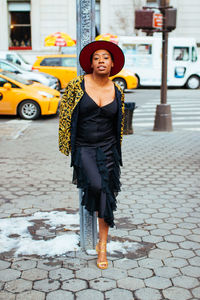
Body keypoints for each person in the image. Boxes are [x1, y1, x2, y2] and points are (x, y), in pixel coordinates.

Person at [59, 40, 125, 269]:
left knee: (107, 194)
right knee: (96, 186)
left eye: (105, 57)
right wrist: (66, 145)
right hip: (84, 146)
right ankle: (99, 241)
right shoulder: (77, 85)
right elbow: (65, 115)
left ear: (112, 64)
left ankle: (103, 246)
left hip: (108, 148)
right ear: (91, 63)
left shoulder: (118, 90)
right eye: (96, 58)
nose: (101, 61)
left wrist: (117, 150)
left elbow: (119, 123)